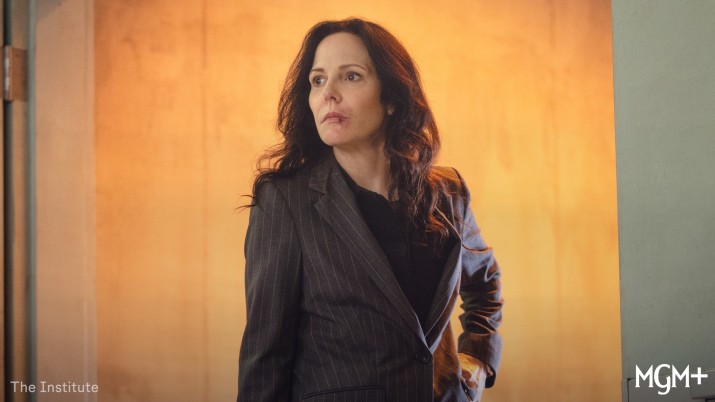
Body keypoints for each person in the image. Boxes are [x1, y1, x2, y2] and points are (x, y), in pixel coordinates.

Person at [237, 18, 502, 402]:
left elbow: (485, 282)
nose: (328, 93)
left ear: (392, 98)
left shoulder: (448, 192)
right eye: (317, 80)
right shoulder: (285, 201)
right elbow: (266, 356)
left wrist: (477, 358)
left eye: (351, 76)